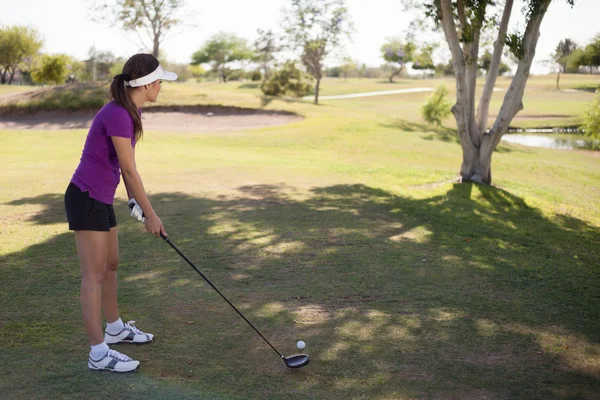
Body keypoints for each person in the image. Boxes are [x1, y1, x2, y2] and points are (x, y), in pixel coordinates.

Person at [64, 53, 177, 372]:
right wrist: (150, 214)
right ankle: (98, 353)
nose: (161, 87)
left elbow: (123, 165)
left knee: (110, 265)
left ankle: (114, 329)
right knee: (93, 275)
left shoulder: (130, 111)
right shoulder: (117, 114)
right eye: (160, 82)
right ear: (148, 83)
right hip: (86, 197)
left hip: (100, 197)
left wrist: (132, 202)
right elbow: (128, 169)